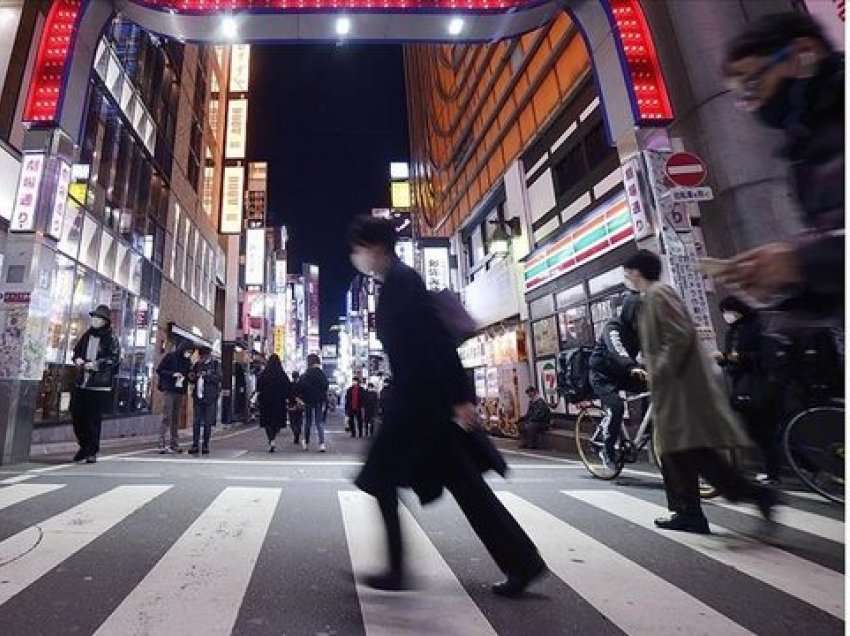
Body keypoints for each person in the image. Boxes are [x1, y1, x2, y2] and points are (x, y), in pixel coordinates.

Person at [348, 216, 546, 596]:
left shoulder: (401, 283)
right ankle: (523, 561)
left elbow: (434, 343)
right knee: (460, 484)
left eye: (358, 248)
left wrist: (460, 398)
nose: (356, 256)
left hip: (420, 405)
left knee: (382, 478)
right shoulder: (395, 283)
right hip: (422, 404)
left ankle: (397, 570)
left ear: (375, 247)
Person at [624, 250, 777, 534]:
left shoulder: (659, 294)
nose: (626, 277)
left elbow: (679, 335)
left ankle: (710, 507)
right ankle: (695, 511)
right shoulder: (654, 296)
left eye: (628, 272)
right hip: (675, 388)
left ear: (637, 272)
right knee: (684, 453)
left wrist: (658, 369)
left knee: (684, 452)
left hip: (679, 389)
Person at [720, 13, 843, 320]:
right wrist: (790, 284)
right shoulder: (804, 154)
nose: (754, 103)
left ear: (804, 53)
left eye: (753, 82)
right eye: (742, 96)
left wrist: (801, 263)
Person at [715, 296, 782, 484]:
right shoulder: (733, 332)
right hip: (744, 384)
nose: (726, 316)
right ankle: (775, 470)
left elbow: (763, 356)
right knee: (760, 431)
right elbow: (732, 359)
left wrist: (736, 357)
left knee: (763, 431)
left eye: (728, 311)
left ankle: (774, 473)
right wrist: (724, 358)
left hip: (759, 384)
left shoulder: (755, 327)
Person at [588, 292, 647, 467]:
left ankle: (647, 427)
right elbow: (616, 349)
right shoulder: (613, 326)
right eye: (639, 314)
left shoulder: (640, 332)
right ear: (630, 312)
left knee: (654, 387)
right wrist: (632, 366)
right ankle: (607, 450)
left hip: (623, 373)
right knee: (616, 406)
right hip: (602, 376)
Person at [70, 304, 120, 464]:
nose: (95, 320)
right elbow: (76, 351)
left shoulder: (111, 338)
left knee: (92, 418)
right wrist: (77, 359)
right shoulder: (87, 335)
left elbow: (114, 359)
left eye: (98, 318)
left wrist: (97, 364)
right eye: (94, 317)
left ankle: (91, 450)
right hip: (81, 382)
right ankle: (84, 446)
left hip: (99, 385)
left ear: (105, 321)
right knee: (77, 415)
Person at [156, 342, 194, 454]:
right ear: (183, 349)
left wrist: (191, 376)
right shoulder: (170, 357)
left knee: (176, 418)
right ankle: (161, 443)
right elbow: (160, 370)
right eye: (188, 351)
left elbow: (190, 376)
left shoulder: (187, 361)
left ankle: (174, 444)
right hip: (169, 390)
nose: (189, 354)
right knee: (167, 416)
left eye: (191, 353)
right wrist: (173, 374)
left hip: (180, 391)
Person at [188, 346, 221, 455]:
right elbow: (191, 378)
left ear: (208, 355)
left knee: (207, 422)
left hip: (210, 398)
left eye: (203, 356)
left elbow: (219, 378)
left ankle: (206, 445)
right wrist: (192, 376)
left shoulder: (215, 365)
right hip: (198, 397)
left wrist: (206, 376)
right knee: (196, 422)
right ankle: (195, 444)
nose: (201, 358)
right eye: (200, 356)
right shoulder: (197, 365)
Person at [256, 354, 292, 453]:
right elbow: (288, 387)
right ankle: (273, 438)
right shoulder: (282, 374)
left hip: (265, 401)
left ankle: (271, 439)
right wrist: (289, 399)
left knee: (267, 422)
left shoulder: (264, 373)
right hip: (279, 402)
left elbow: (258, 386)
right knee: (277, 423)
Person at [298, 354, 329, 452]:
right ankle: (322, 444)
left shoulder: (305, 374)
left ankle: (306, 443)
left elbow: (301, 386)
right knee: (319, 422)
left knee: (308, 422)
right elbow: (326, 386)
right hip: (319, 400)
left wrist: (302, 397)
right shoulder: (321, 374)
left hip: (307, 400)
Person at [288, 371, 305, 445]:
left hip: (291, 405)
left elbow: (288, 395)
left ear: (292, 376)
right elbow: (304, 394)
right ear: (298, 376)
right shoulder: (302, 385)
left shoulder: (290, 385)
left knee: (292, 421)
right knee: (299, 419)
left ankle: (295, 431)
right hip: (300, 405)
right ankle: (297, 430)